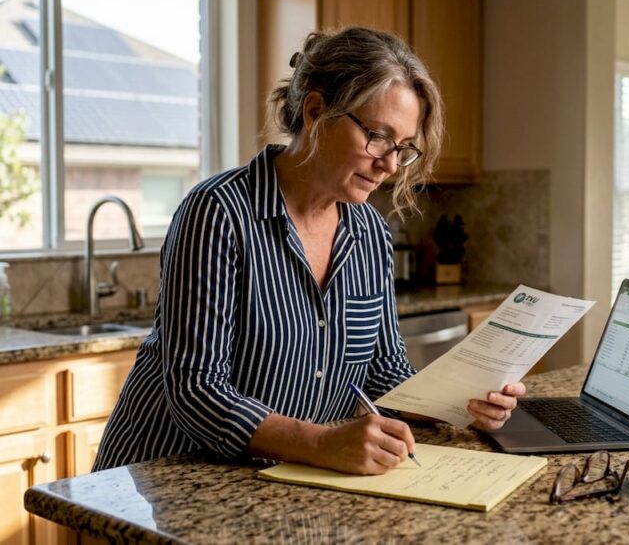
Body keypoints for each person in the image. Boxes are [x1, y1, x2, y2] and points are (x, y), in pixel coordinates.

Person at [93, 27, 526, 475]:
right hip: (162, 479)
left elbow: (383, 373)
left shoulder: (371, 235)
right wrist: (321, 443)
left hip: (275, 478)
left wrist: (459, 405)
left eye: (403, 148)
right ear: (316, 110)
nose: (391, 164)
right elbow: (197, 390)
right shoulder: (219, 213)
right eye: (378, 136)